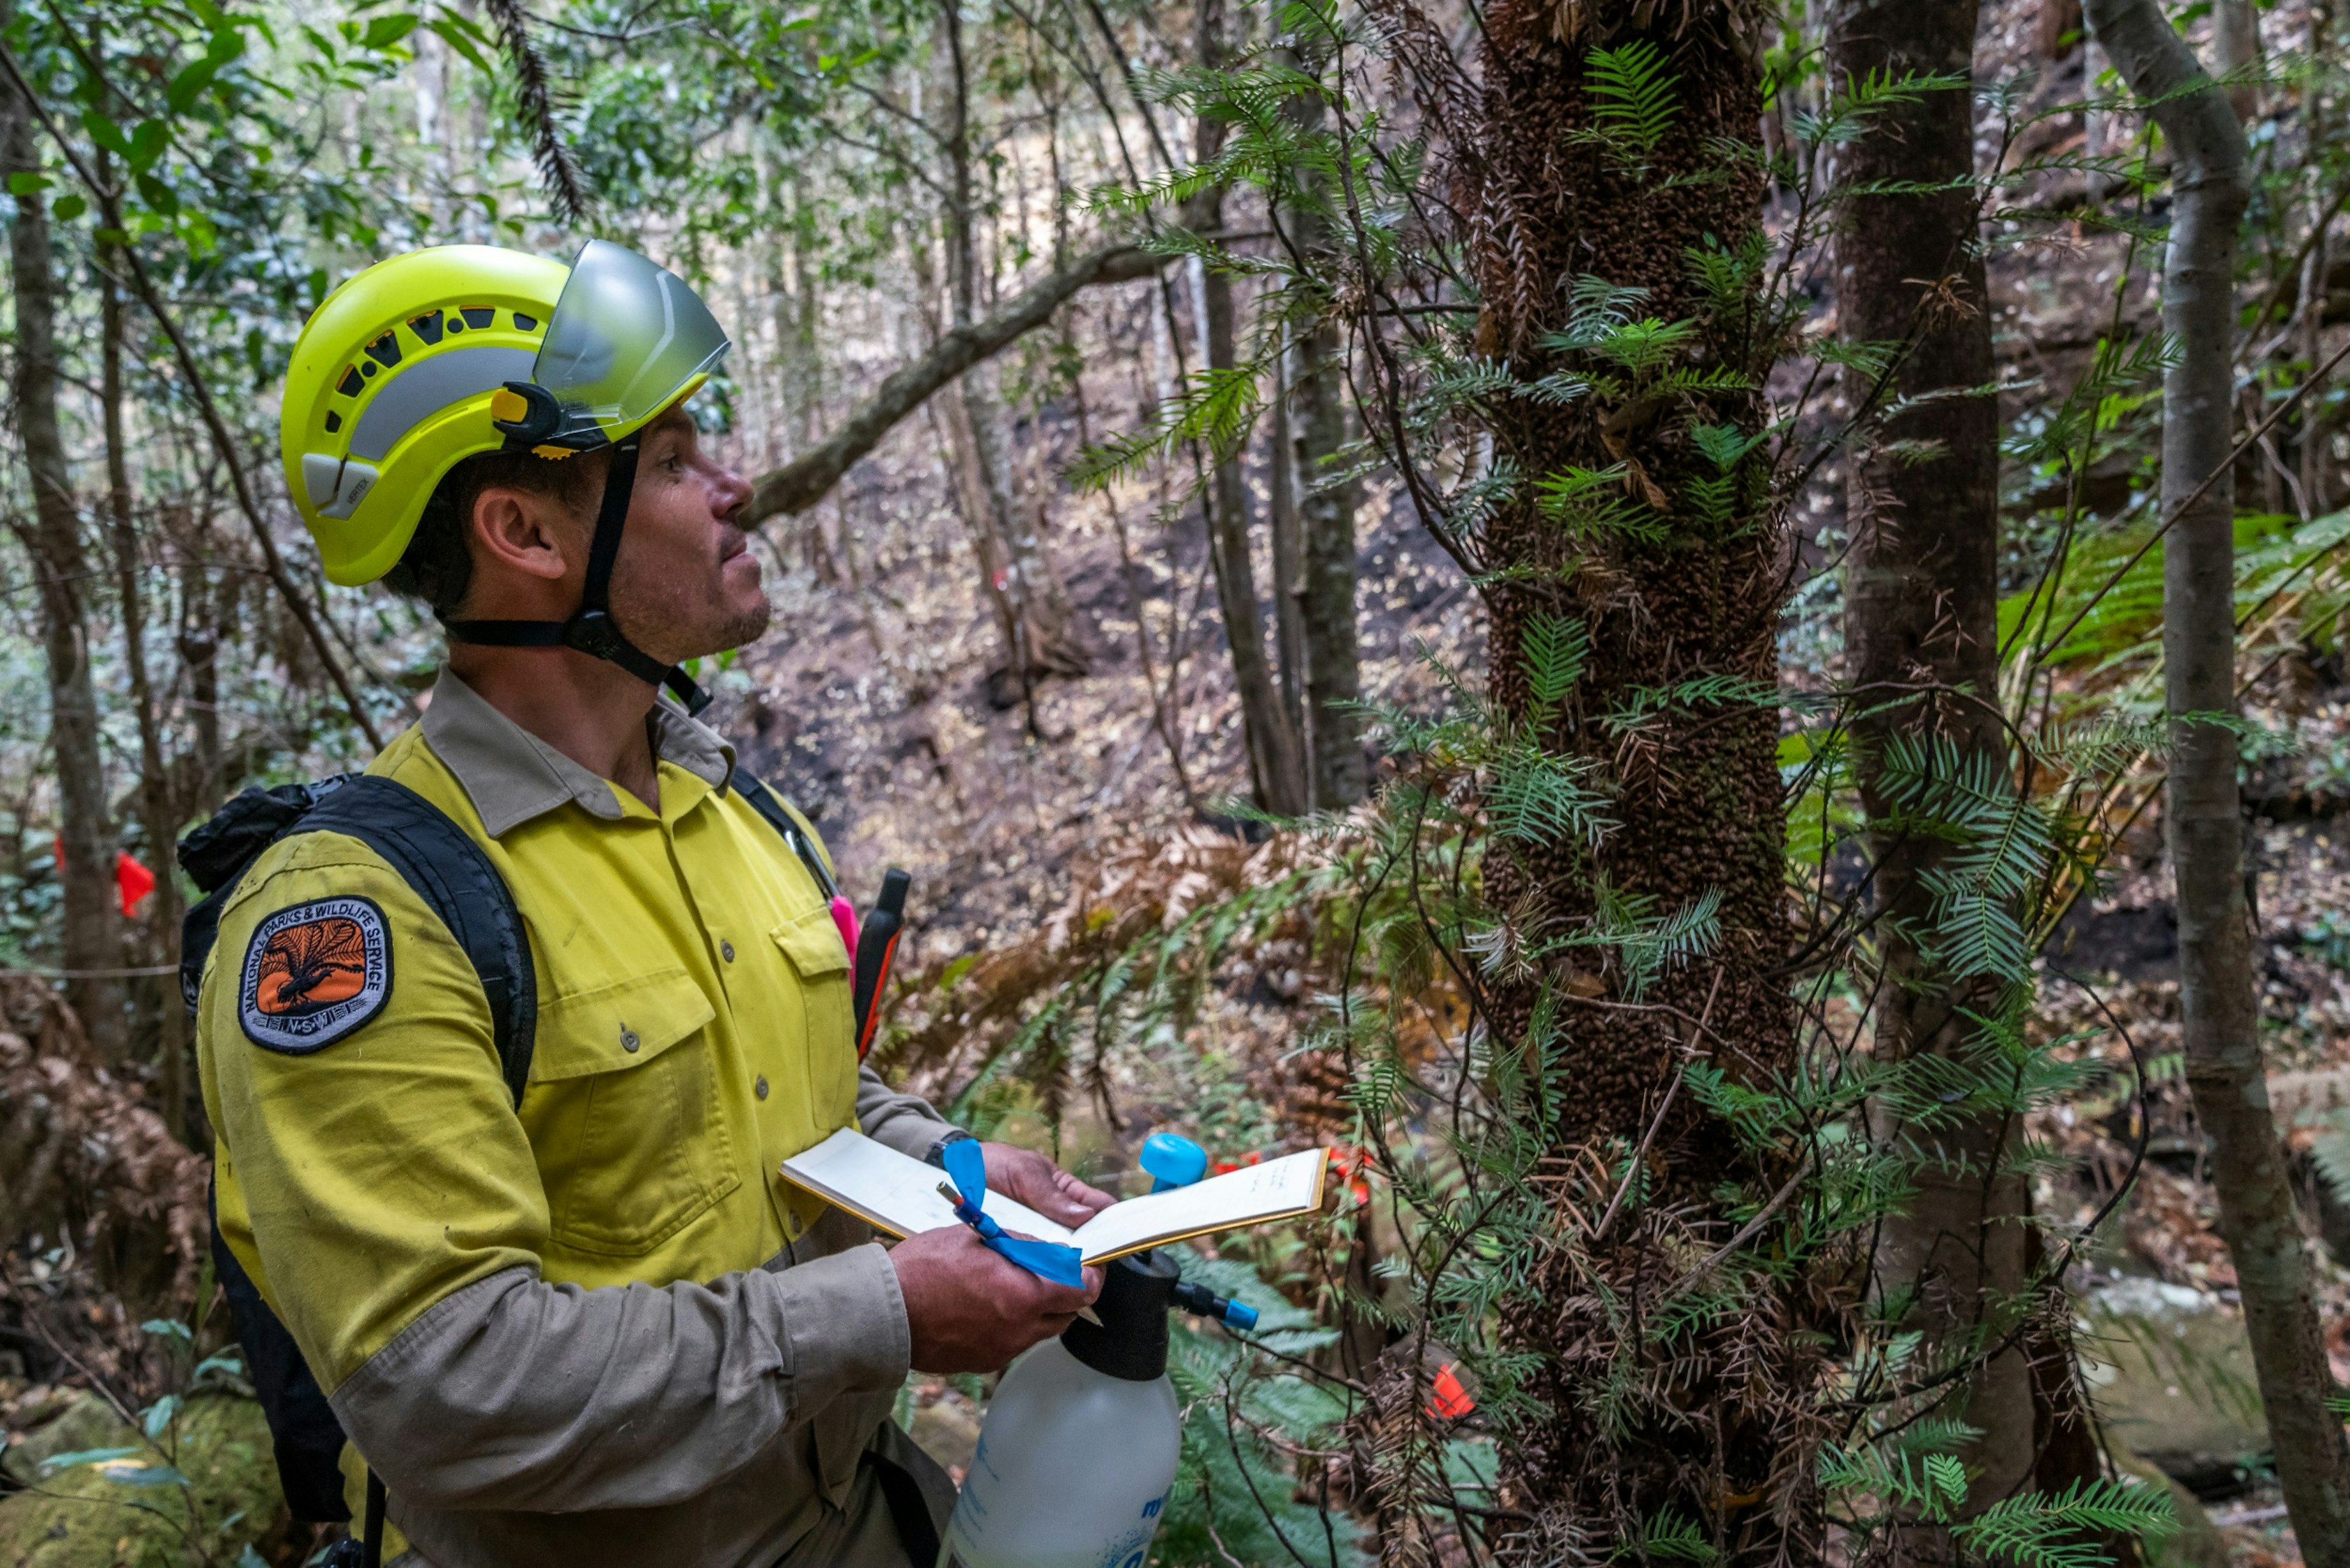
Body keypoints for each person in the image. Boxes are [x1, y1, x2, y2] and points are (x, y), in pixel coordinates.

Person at [196, 241, 1108, 1568]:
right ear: (525, 534)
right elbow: (444, 1383)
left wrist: (946, 1165)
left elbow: (784, 1093)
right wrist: (884, 1315)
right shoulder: (358, 921)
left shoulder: (729, 809)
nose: (736, 485)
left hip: (863, 1524)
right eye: (675, 461)